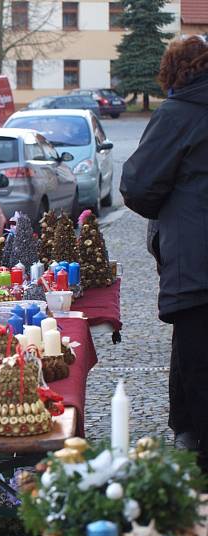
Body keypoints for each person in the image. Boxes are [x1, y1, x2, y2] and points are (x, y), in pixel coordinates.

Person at [121, 35, 208, 463]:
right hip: (196, 263)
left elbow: (137, 186)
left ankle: (197, 452)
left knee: (198, 359)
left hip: (196, 264)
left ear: (174, 72)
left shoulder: (177, 114)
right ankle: (186, 429)